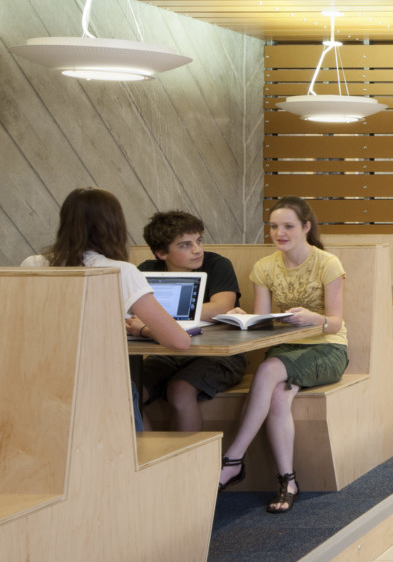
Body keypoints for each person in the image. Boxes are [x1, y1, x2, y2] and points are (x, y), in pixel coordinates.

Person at [20, 188, 193, 431]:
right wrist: (144, 330)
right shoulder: (121, 271)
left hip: (38, 381)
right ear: (114, 226)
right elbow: (179, 341)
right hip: (100, 386)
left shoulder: (33, 264)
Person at [217, 197, 347, 513]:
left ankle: (233, 458)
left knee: (267, 371)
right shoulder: (264, 267)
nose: (280, 232)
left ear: (305, 227)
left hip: (326, 348)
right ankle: (288, 481)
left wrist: (312, 319)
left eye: (288, 226)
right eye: (274, 226)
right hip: (285, 349)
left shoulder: (328, 263)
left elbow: (336, 324)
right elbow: (264, 324)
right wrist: (242, 316)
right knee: (277, 396)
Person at [137, 211, 243, 433]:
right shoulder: (146, 271)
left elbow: (222, 306)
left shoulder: (217, 264)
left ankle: (188, 464)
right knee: (130, 393)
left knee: (180, 389)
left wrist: (156, 318)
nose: (197, 249)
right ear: (161, 253)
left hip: (220, 354)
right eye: (185, 245)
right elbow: (130, 313)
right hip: (167, 353)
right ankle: (149, 462)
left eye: (199, 240)